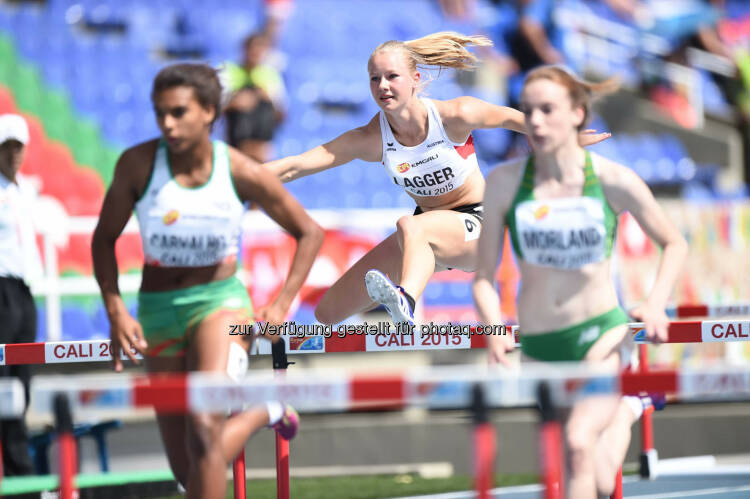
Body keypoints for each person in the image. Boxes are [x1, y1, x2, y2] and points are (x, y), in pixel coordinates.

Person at [265, 31, 610, 327]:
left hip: (478, 225)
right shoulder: (370, 138)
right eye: (374, 78)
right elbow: (297, 165)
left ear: (415, 78)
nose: (382, 86)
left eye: (391, 76)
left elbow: (514, 120)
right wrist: (240, 174)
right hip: (428, 235)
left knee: (410, 226)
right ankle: (405, 293)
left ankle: (407, 302)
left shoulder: (455, 116)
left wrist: (566, 136)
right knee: (328, 312)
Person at [91, 63, 323, 499]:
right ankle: (265, 409)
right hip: (159, 311)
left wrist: (279, 305)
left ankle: (259, 411)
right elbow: (103, 239)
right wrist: (115, 309)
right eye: (159, 113)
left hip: (223, 307)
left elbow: (309, 232)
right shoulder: (138, 165)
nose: (167, 124)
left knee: (204, 429)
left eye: (178, 112)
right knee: (187, 472)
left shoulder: (239, 170)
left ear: (210, 112)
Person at [472, 65, 688, 498]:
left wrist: (655, 303)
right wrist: (495, 330)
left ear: (577, 113)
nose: (534, 121)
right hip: (538, 346)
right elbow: (482, 278)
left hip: (600, 338)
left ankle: (623, 401)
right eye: (527, 110)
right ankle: (630, 408)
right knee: (594, 471)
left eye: (547, 109)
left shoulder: (611, 179)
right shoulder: (503, 183)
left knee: (576, 444)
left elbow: (674, 243)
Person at [0, 113, 42, 476]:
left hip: (25, 290)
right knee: (3, 380)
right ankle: (17, 467)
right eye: (6, 146)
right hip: (1, 289)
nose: (13, 153)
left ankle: (19, 469)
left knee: (21, 381)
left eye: (18, 146)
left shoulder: (24, 189)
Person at [220, 31, 287, 164]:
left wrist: (266, 99)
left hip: (262, 142)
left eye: (260, 49)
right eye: (252, 48)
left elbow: (282, 114)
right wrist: (235, 103)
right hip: (234, 142)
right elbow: (212, 110)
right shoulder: (228, 71)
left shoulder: (271, 75)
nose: (256, 53)